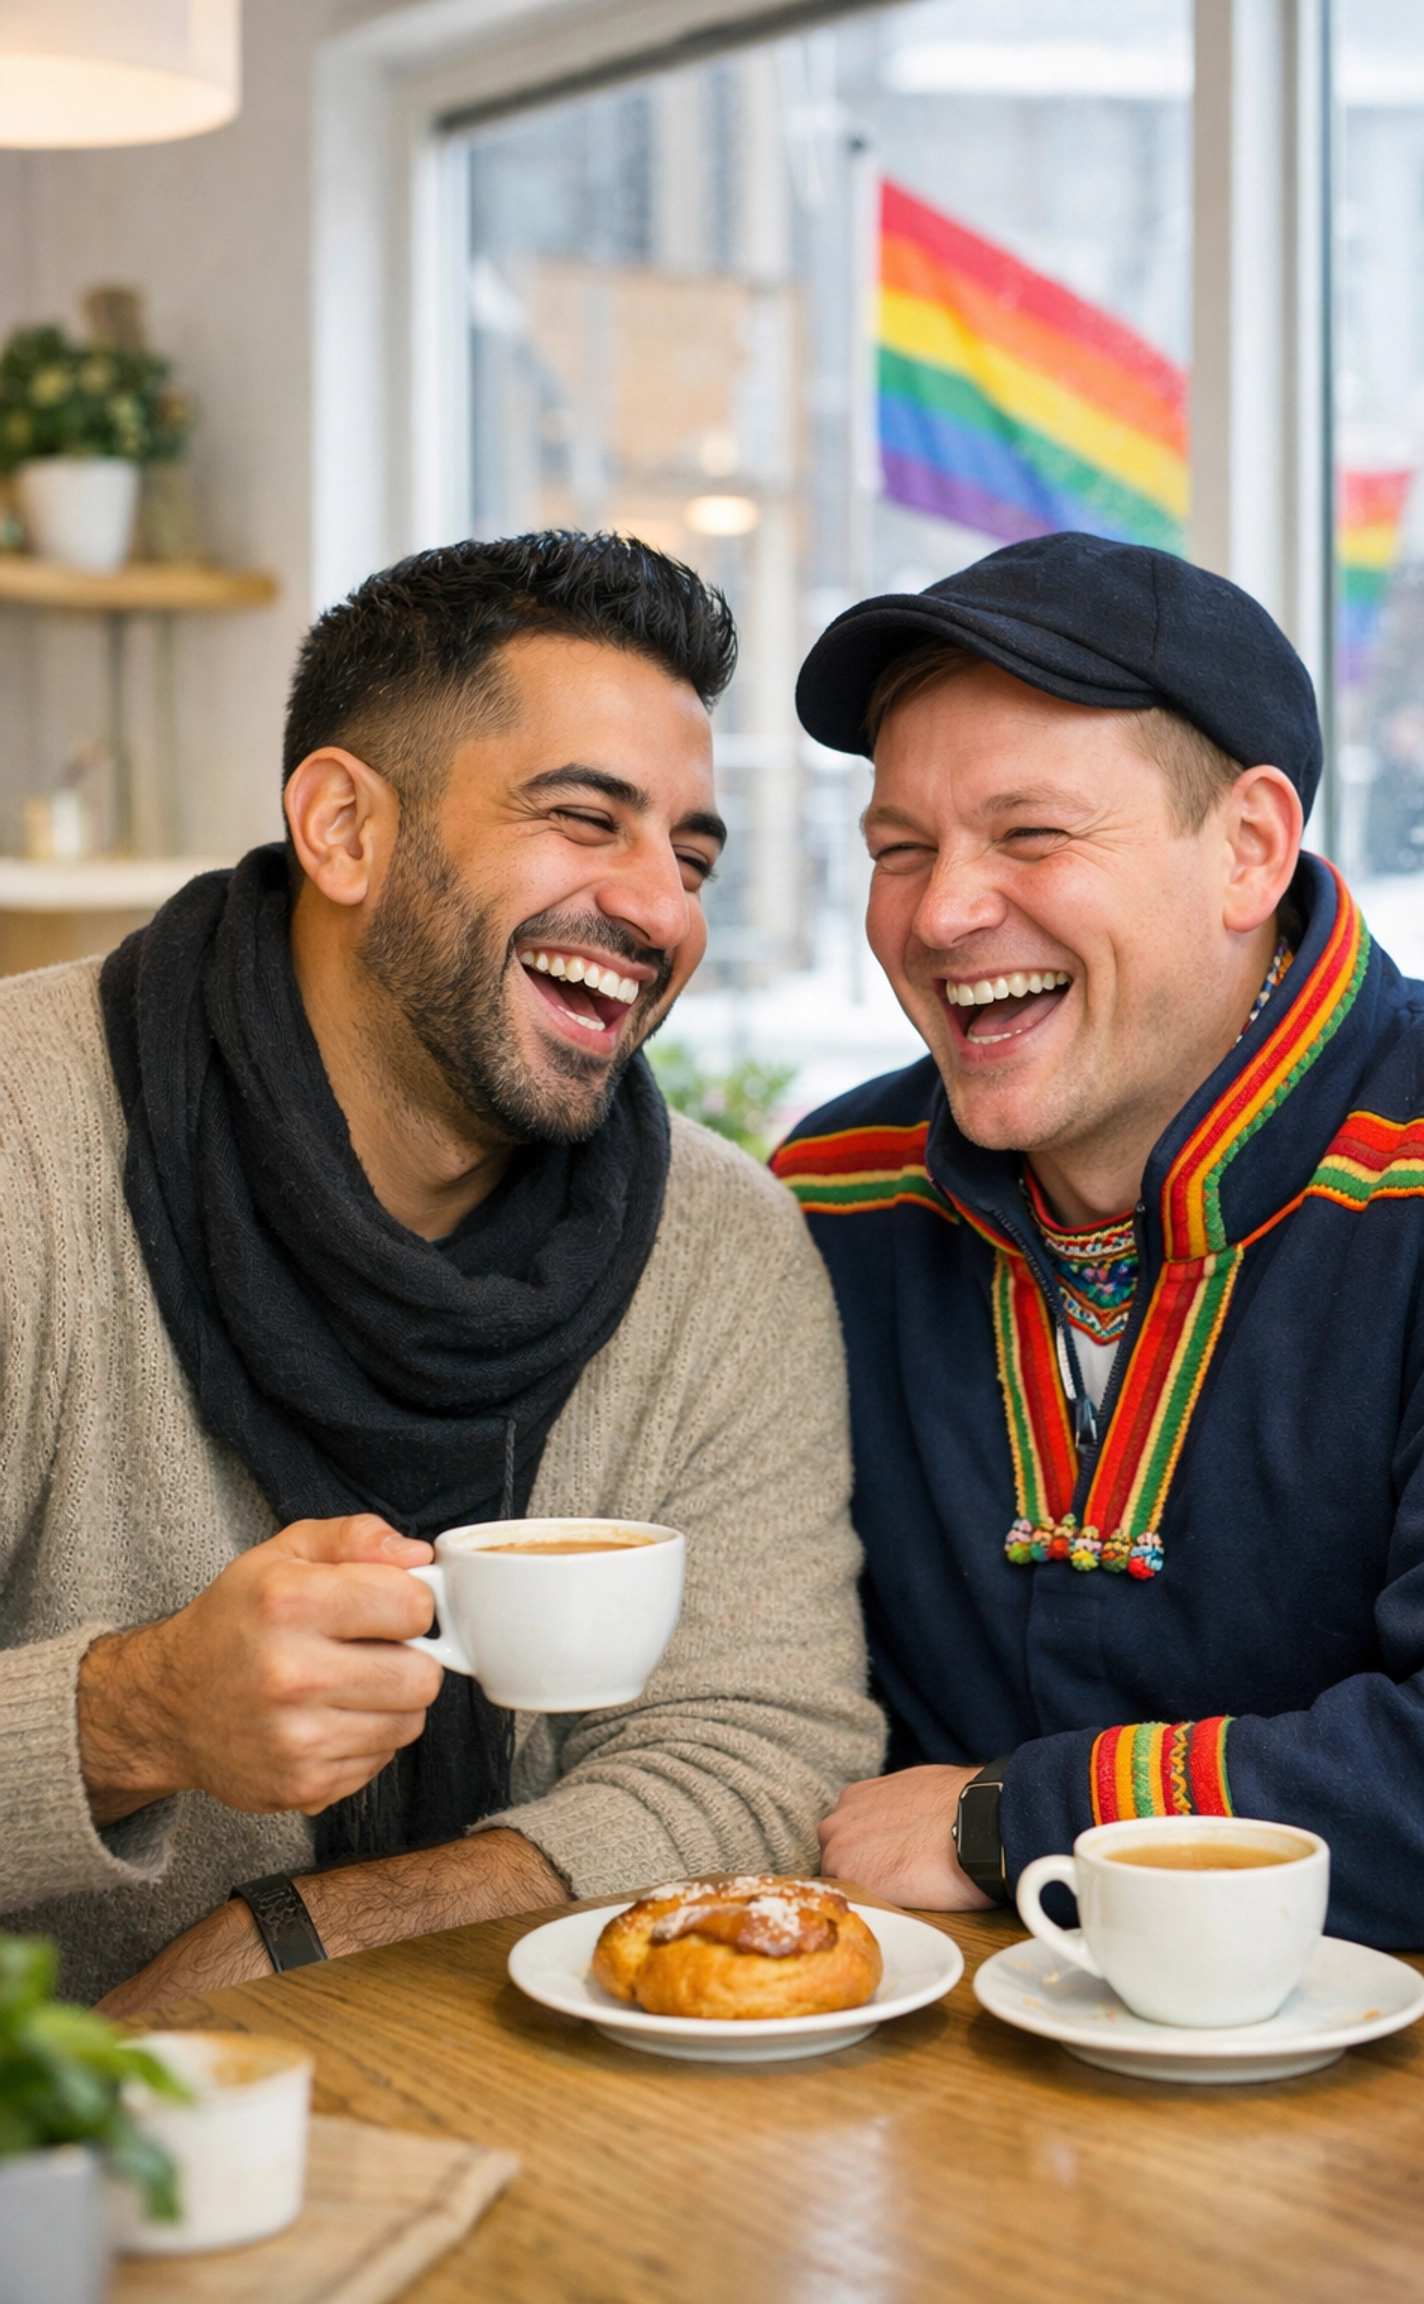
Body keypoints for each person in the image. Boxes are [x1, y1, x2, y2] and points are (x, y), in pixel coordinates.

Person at [0, 532, 882, 2011]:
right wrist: (133, 1716)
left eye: (690, 855)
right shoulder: (28, 1138)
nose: (662, 912)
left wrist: (296, 1932)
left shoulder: (722, 1248)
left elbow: (766, 1747)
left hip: (533, 2106)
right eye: (584, 818)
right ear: (344, 827)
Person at [775, 532, 1424, 1950]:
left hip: (1395, 2120)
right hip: (911, 2093)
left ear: (1248, 848)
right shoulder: (827, 1194)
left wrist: (1016, 1816)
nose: (941, 912)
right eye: (900, 849)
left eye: (1031, 835)